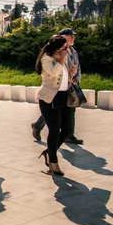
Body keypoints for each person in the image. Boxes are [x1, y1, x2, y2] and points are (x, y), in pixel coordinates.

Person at [32, 28, 83, 145]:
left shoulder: (73, 51)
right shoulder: (55, 53)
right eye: (70, 36)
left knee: (69, 109)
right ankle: (39, 127)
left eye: (73, 36)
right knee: (53, 114)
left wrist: (75, 77)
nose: (73, 38)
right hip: (56, 88)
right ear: (62, 37)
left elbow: (77, 66)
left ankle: (68, 134)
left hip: (70, 83)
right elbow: (55, 71)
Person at [36, 35, 76, 176]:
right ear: (57, 48)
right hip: (50, 99)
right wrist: (62, 59)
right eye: (65, 47)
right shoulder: (47, 58)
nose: (67, 49)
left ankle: (48, 152)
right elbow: (53, 73)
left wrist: (70, 75)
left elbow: (62, 79)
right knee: (54, 130)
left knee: (67, 130)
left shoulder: (60, 58)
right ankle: (53, 162)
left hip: (64, 97)